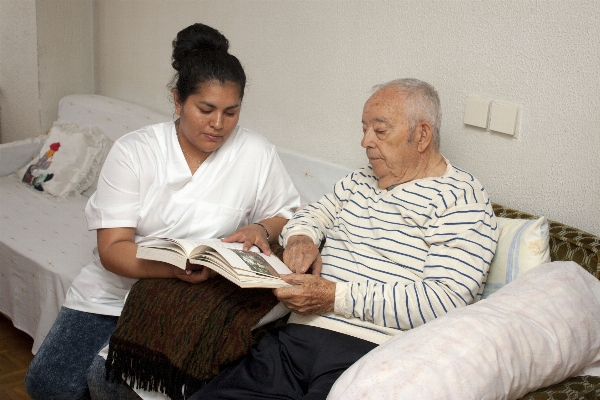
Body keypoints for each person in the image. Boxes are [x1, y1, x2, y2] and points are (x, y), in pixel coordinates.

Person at [24, 23, 300, 400]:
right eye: (206, 109)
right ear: (177, 100)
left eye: (231, 112)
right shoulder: (135, 152)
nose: (218, 124)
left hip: (186, 299)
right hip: (115, 290)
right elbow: (113, 248)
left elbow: (283, 213)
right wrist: (172, 267)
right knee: (47, 384)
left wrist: (260, 228)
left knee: (106, 382)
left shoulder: (256, 152)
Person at [189, 78, 499, 400]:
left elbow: (443, 301)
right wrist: (301, 240)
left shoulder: (461, 198)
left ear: (421, 135)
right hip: (296, 339)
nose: (365, 142)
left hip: (375, 358)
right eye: (364, 128)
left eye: (379, 131)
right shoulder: (360, 179)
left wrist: (334, 297)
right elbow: (311, 214)